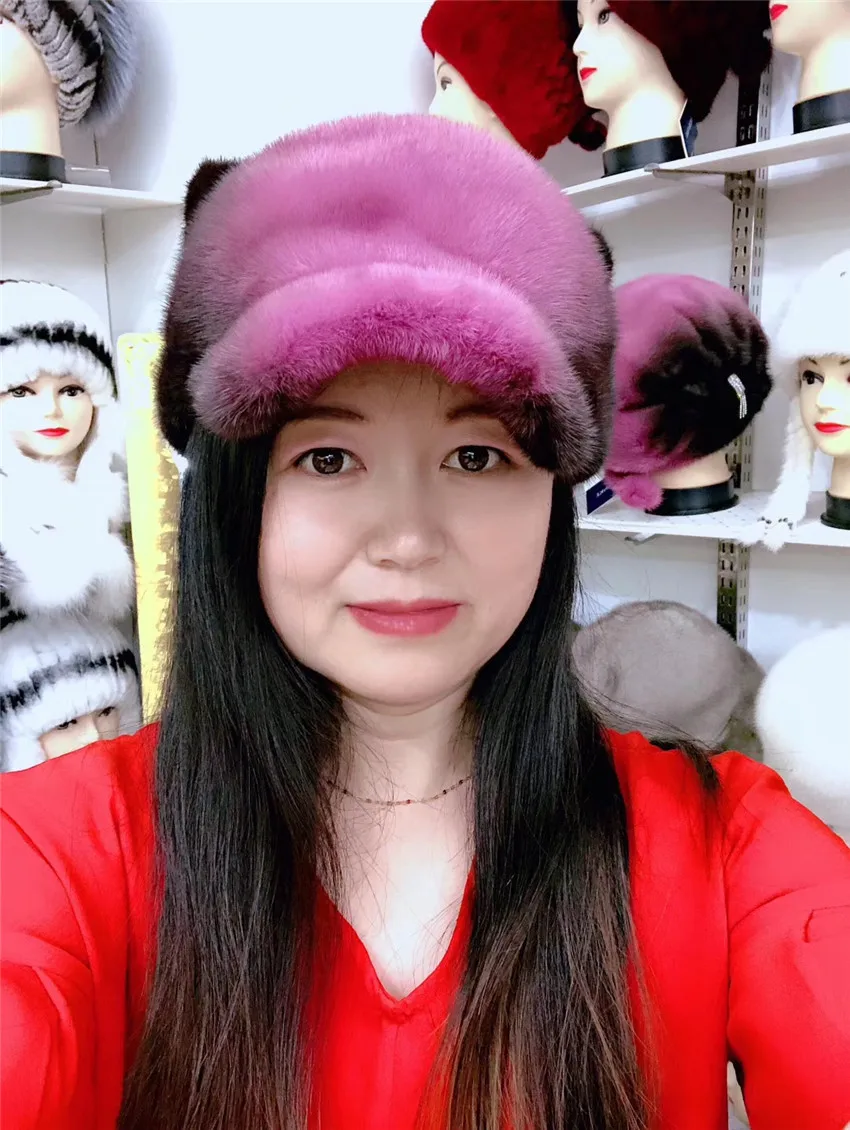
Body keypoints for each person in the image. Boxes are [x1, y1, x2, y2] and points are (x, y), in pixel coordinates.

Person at [2, 113, 849, 1130]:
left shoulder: (718, 841)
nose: (407, 538)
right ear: (234, 501)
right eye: (328, 458)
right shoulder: (60, 849)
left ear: (552, 494)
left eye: (477, 455)